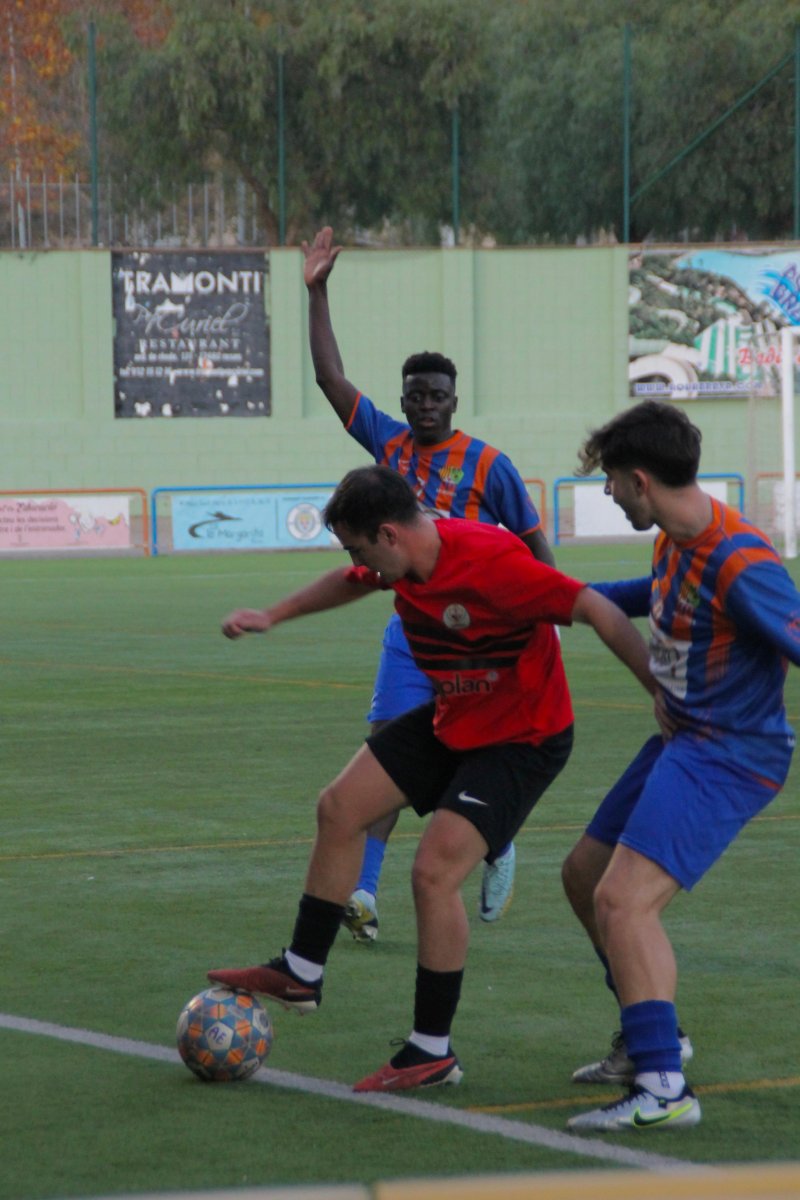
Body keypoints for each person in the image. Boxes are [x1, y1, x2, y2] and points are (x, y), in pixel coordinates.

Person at [209, 464, 656, 1092]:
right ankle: (301, 972)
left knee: (433, 872)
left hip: (523, 739)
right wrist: (272, 615)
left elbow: (596, 608)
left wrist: (660, 696)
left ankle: (430, 1051)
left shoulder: (493, 560)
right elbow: (349, 580)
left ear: (389, 534)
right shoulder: (403, 559)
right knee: (340, 807)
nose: (356, 558)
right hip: (456, 718)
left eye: (359, 545)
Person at [301, 226, 555, 941]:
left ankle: (496, 840)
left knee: (468, 756)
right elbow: (330, 379)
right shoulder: (387, 446)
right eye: (414, 395)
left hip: (480, 641)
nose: (424, 406)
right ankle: (366, 894)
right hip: (411, 631)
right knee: (387, 746)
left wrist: (544, 609)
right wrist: (317, 293)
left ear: (453, 398)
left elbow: (534, 544)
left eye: (436, 396)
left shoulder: (488, 465)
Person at [562, 400, 800, 1133]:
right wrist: (566, 599)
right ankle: (649, 1042)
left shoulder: (741, 560)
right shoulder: (675, 536)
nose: (606, 493)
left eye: (610, 482)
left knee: (623, 902)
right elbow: (659, 599)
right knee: (583, 877)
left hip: (729, 753)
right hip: (682, 740)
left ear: (640, 481)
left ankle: (664, 1089)